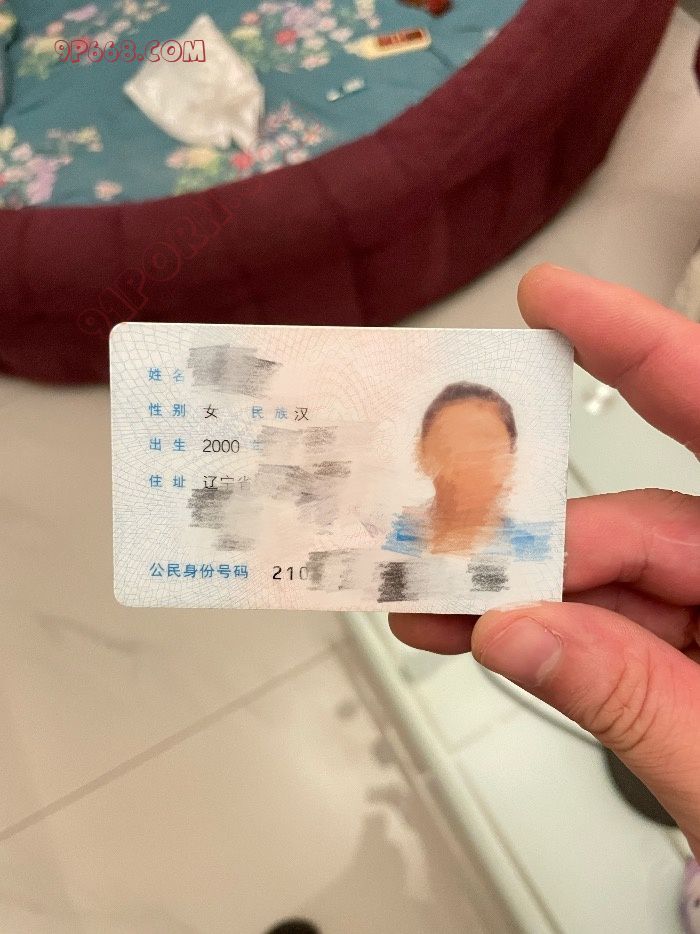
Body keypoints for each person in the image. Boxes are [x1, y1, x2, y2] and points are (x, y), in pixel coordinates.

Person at [388, 266, 700, 876]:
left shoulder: (535, 550)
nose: (471, 465)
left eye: (488, 448)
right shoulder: (391, 547)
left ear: (513, 460)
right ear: (424, 453)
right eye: (454, 444)